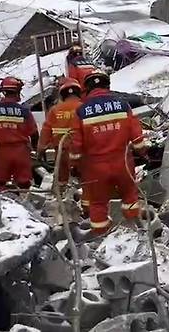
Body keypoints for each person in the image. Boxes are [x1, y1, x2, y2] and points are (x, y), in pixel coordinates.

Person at [68, 69, 148, 235]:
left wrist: (74, 165)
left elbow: (76, 144)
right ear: (107, 85)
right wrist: (142, 152)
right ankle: (135, 231)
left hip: (95, 168)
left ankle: (101, 236)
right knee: (130, 196)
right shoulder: (122, 105)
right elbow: (137, 135)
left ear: (87, 88)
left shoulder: (82, 111)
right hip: (123, 163)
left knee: (98, 203)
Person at [0, 77, 39, 191]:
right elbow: (34, 133)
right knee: (24, 185)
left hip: (1, 152)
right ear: (18, 92)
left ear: (3, 92)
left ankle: (2, 206)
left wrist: (2, 135)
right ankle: (26, 206)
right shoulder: (24, 112)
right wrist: (36, 150)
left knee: (0, 184)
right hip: (21, 152)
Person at [37, 77, 83, 188]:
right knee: (82, 183)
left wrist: (40, 151)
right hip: (81, 154)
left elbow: (46, 131)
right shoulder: (84, 108)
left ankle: (63, 201)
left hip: (60, 154)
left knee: (63, 183)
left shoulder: (54, 110)